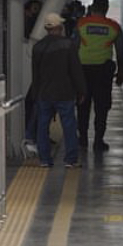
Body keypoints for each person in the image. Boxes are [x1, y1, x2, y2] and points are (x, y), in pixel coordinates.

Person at [32, 13, 86, 168]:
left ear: (46, 28)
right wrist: (81, 90)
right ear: (60, 27)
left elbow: (35, 74)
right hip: (64, 92)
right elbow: (75, 70)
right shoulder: (68, 45)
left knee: (42, 126)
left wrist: (36, 93)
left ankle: (44, 159)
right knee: (69, 126)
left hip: (44, 93)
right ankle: (70, 159)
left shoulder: (38, 47)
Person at [76, 0, 123, 151]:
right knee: (101, 107)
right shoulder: (114, 27)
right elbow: (121, 53)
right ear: (106, 8)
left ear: (93, 6)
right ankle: (98, 141)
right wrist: (121, 74)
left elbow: (73, 48)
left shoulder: (81, 24)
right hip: (103, 73)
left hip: (83, 71)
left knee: (83, 106)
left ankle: (83, 139)